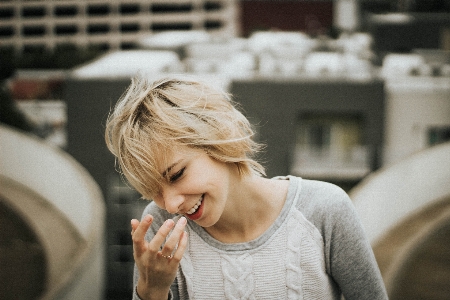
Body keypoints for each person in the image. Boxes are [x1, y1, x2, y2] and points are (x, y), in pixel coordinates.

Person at [105, 75, 388, 300]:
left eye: (177, 175)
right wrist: (152, 292)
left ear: (218, 137)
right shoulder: (162, 228)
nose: (170, 204)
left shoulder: (324, 210)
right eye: (153, 190)